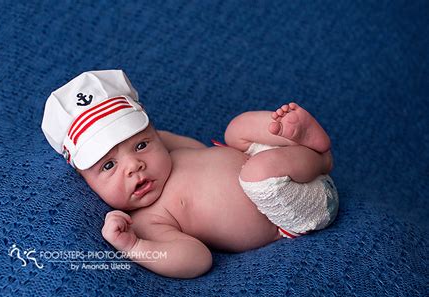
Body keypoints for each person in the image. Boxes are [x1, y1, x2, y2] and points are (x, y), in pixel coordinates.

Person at [41, 70, 339, 278]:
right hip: (289, 211)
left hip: (272, 164)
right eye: (108, 165)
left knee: (236, 130)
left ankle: (305, 141)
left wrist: (155, 141)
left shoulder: (168, 152)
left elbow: (188, 145)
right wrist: (134, 246)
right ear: (86, 182)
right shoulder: (148, 221)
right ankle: (321, 161)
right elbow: (197, 260)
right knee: (257, 172)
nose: (134, 165)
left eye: (141, 144)